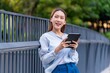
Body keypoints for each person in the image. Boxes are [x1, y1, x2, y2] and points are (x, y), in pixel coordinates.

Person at [39, 8, 80, 73]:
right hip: (57, 70)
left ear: (64, 22)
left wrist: (73, 49)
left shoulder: (67, 37)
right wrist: (58, 49)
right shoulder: (45, 37)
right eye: (56, 17)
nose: (58, 20)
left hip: (73, 69)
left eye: (61, 18)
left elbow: (75, 60)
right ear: (51, 19)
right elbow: (44, 60)